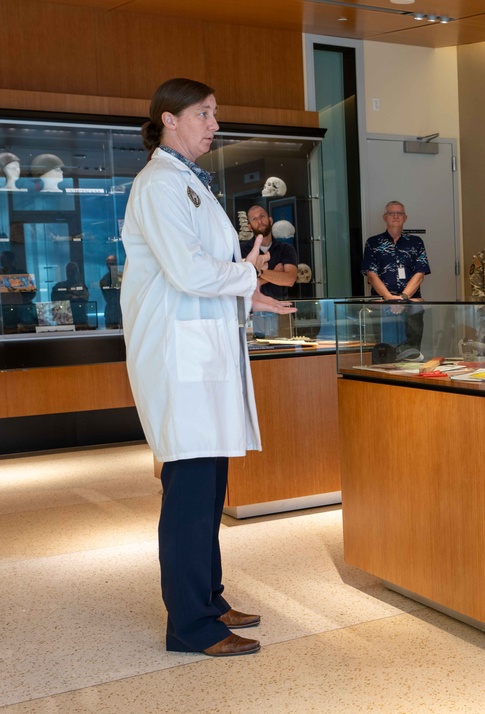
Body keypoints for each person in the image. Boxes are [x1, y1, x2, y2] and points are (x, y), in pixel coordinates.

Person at [120, 77, 294, 658]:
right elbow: (190, 273)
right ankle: (190, 625)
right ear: (169, 118)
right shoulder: (158, 186)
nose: (214, 125)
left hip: (205, 352)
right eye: (205, 114)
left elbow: (213, 268)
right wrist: (246, 276)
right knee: (191, 493)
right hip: (178, 356)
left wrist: (252, 289)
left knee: (210, 484)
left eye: (215, 113)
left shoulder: (190, 184)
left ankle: (210, 600)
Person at [360, 200, 430, 351]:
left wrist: (402, 299)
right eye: (392, 213)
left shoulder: (416, 242)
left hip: (411, 304)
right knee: (383, 350)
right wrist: (390, 298)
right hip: (381, 304)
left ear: (405, 218)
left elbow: (420, 274)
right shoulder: (373, 243)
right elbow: (371, 275)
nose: (396, 216)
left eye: (400, 213)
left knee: (412, 350)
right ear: (384, 217)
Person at [239, 205, 298, 300]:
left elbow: (289, 280)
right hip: (252, 311)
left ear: (270, 220)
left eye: (262, 216)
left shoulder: (286, 249)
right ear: (249, 227)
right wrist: (275, 273)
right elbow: (242, 285)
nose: (259, 221)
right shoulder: (242, 250)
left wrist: (258, 272)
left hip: (280, 311)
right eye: (254, 219)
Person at [99, 254, 122, 329]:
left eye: (112, 263)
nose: (109, 266)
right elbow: (108, 297)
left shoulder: (123, 276)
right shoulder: (104, 280)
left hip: (122, 309)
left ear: (116, 263)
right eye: (108, 264)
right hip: (111, 312)